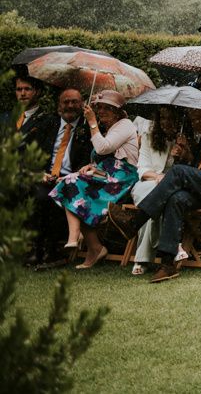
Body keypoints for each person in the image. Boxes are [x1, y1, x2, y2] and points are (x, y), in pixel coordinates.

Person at [109, 105, 201, 283]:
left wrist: (200, 174)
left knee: (178, 172)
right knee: (176, 198)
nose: (195, 123)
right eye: (192, 119)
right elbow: (195, 167)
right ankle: (167, 263)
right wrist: (186, 155)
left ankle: (135, 222)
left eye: (199, 117)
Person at [49, 90, 139, 269]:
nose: (101, 111)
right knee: (69, 183)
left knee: (72, 184)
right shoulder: (110, 128)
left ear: (118, 111)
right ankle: (92, 247)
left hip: (122, 178)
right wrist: (92, 166)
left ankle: (78, 239)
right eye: (100, 108)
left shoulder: (125, 124)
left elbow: (103, 148)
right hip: (107, 174)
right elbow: (102, 157)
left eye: (107, 108)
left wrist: (92, 122)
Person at [30, 88, 93, 268]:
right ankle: (36, 249)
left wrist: (69, 177)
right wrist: (40, 173)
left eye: (74, 101)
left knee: (57, 198)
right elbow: (33, 153)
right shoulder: (47, 124)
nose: (70, 105)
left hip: (71, 178)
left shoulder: (86, 128)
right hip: (46, 176)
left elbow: (88, 159)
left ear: (82, 104)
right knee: (38, 196)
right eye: (66, 102)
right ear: (59, 105)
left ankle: (53, 251)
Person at [129, 106, 187, 275]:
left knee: (155, 203)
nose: (165, 122)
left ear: (177, 120)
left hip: (171, 188)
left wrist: (183, 155)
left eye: (170, 118)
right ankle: (173, 246)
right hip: (147, 182)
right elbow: (142, 169)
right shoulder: (149, 137)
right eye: (162, 118)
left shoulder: (183, 139)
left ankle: (142, 259)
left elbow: (188, 173)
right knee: (152, 195)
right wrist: (157, 177)